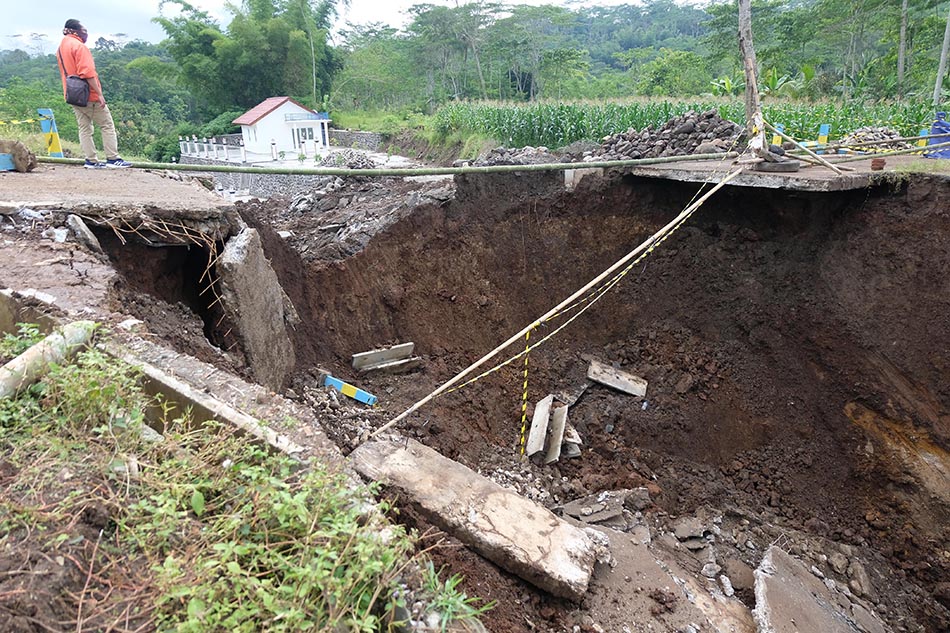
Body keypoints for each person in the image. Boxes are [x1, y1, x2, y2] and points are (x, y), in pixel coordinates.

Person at [56, 19, 131, 169]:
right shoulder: (79, 47)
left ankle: (90, 160)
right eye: (84, 31)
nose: (86, 34)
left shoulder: (61, 47)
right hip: (88, 95)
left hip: (72, 94)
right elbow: (87, 73)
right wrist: (99, 94)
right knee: (107, 125)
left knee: (84, 128)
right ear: (75, 31)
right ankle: (112, 158)